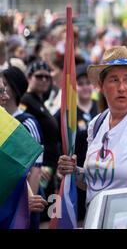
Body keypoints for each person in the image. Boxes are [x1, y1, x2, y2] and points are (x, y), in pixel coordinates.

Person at [57, 46, 127, 207]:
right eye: (114, 80)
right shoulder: (96, 124)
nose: (122, 87)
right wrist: (74, 172)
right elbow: (95, 183)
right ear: (101, 86)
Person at [0, 75, 48, 224]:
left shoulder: (9, 126)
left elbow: (20, 172)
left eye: (5, 90)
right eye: (1, 91)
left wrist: (27, 200)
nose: (5, 96)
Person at [54, 63, 98, 221]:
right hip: (74, 175)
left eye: (88, 83)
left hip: (95, 172)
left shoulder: (100, 109)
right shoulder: (65, 113)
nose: (85, 87)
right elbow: (57, 142)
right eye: (80, 84)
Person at [20, 60, 60, 202]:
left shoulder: (39, 101)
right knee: (40, 213)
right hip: (39, 170)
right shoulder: (25, 101)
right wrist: (36, 165)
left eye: (47, 77)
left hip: (50, 168)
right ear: (29, 77)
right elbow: (23, 136)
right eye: (39, 76)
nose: (44, 80)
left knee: (50, 213)